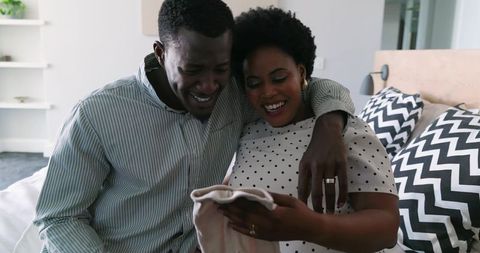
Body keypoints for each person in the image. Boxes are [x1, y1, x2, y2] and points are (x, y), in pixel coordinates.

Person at [33, 1, 355, 253]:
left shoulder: (236, 94)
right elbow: (57, 217)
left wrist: (328, 127)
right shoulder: (96, 115)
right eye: (194, 70)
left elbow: (317, 87)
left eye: (221, 69)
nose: (209, 85)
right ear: (161, 53)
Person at [217, 7, 400, 253]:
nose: (268, 92)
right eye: (254, 83)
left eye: (279, 78)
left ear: (301, 73)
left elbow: (386, 229)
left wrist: (312, 227)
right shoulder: (249, 131)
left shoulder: (343, 131)